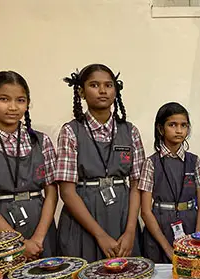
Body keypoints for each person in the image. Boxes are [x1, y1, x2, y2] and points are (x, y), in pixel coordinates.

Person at [56, 64, 145, 262]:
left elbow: (137, 185)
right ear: (81, 92)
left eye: (108, 85)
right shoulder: (71, 131)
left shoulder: (130, 132)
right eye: (94, 85)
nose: (103, 90)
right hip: (83, 222)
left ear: (116, 90)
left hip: (122, 219)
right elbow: (67, 192)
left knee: (126, 277)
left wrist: (131, 230)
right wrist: (100, 235)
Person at [0, 71, 58, 260]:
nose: (12, 107)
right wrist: (18, 242)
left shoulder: (41, 141)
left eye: (20, 100)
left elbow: (52, 193)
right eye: (4, 99)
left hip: (40, 230)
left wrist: (38, 238)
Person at [139, 102, 200, 263]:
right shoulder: (151, 163)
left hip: (190, 225)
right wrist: (168, 249)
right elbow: (145, 211)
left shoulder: (194, 161)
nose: (179, 130)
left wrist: (197, 240)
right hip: (159, 228)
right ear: (161, 129)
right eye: (172, 125)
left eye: (183, 125)